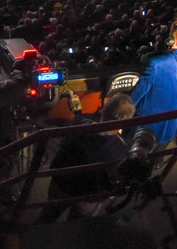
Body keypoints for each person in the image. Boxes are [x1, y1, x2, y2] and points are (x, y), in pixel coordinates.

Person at [39, 93, 136, 222]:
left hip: (62, 183)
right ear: (123, 123)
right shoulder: (120, 150)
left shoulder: (79, 122)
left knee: (48, 216)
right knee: (79, 226)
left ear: (104, 109)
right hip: (88, 197)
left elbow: (64, 143)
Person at [130, 14, 177, 145]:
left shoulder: (157, 63)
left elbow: (135, 97)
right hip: (174, 129)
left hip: (146, 130)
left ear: (171, 38)